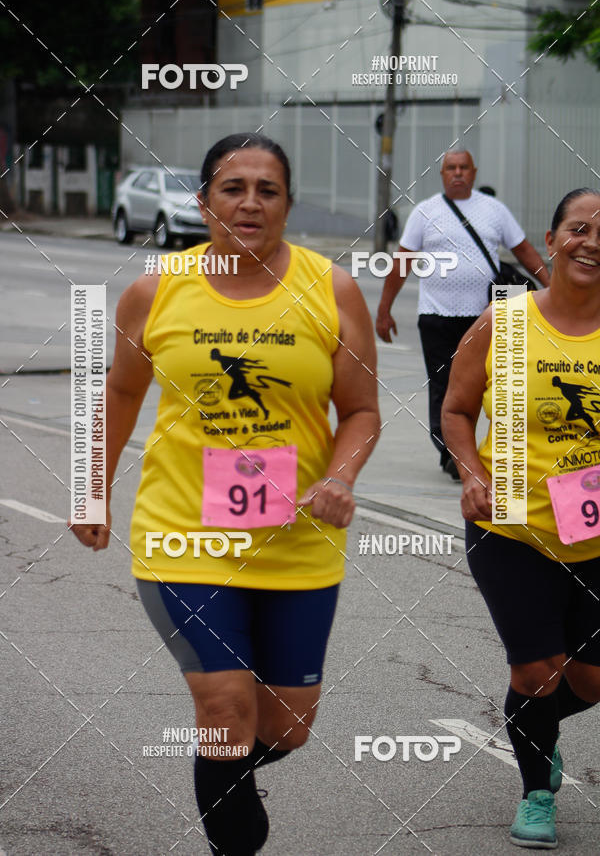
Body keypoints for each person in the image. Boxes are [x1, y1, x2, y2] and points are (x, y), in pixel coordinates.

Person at [70, 132, 380, 855]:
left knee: (287, 727)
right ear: (204, 200)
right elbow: (117, 391)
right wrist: (92, 491)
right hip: (185, 535)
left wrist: (340, 476)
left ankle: (231, 772)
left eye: (266, 190)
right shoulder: (156, 290)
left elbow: (361, 409)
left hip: (298, 544)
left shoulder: (330, 287)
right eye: (232, 187)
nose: (249, 202)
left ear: (287, 204)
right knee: (225, 708)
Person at [442, 188, 600, 848]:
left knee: (589, 678)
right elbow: (455, 410)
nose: (591, 240)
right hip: (512, 528)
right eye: (579, 227)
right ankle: (538, 787)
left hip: (595, 535)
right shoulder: (502, 325)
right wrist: (472, 472)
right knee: (537, 671)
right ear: (553, 236)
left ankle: (534, 726)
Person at [376, 149, 550, 480]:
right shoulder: (424, 212)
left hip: (487, 317)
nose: (457, 173)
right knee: (443, 386)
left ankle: (499, 449)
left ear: (473, 172)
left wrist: (551, 286)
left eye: (463, 168)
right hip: (437, 317)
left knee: (498, 385)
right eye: (451, 168)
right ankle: (451, 454)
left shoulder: (494, 210)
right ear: (442, 175)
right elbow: (401, 264)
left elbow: (524, 251)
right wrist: (385, 310)